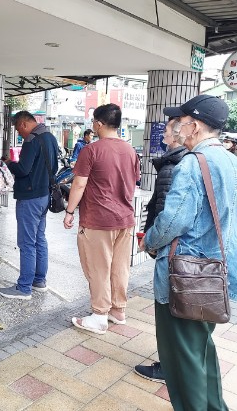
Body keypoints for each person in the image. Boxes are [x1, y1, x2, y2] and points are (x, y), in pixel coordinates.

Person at [141, 95, 237, 411]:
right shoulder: (234, 163)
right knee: (201, 350)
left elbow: (173, 220)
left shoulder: (192, 163)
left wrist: (150, 241)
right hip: (216, 276)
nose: (178, 128)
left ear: (194, 125)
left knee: (181, 362)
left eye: (181, 122)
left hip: (185, 278)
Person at [63, 103, 139, 334]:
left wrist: (69, 212)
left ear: (98, 123)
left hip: (98, 219)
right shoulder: (130, 150)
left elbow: (79, 183)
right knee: (120, 267)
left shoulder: (91, 150)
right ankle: (118, 310)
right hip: (125, 219)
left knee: (98, 268)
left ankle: (99, 315)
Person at [133, 117, 187, 384]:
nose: (162, 132)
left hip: (172, 252)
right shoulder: (185, 160)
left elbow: (167, 215)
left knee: (168, 308)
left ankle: (167, 368)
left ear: (177, 136)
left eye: (166, 129)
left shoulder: (172, 166)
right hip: (187, 254)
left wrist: (150, 242)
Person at [0, 111, 58, 300]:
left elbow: (23, 169)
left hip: (30, 197)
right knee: (39, 238)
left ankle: (24, 287)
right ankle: (39, 281)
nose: (19, 134)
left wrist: (9, 164)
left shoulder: (32, 140)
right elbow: (54, 167)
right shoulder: (50, 137)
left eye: (18, 129)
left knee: (26, 242)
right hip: (44, 195)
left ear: (24, 124)